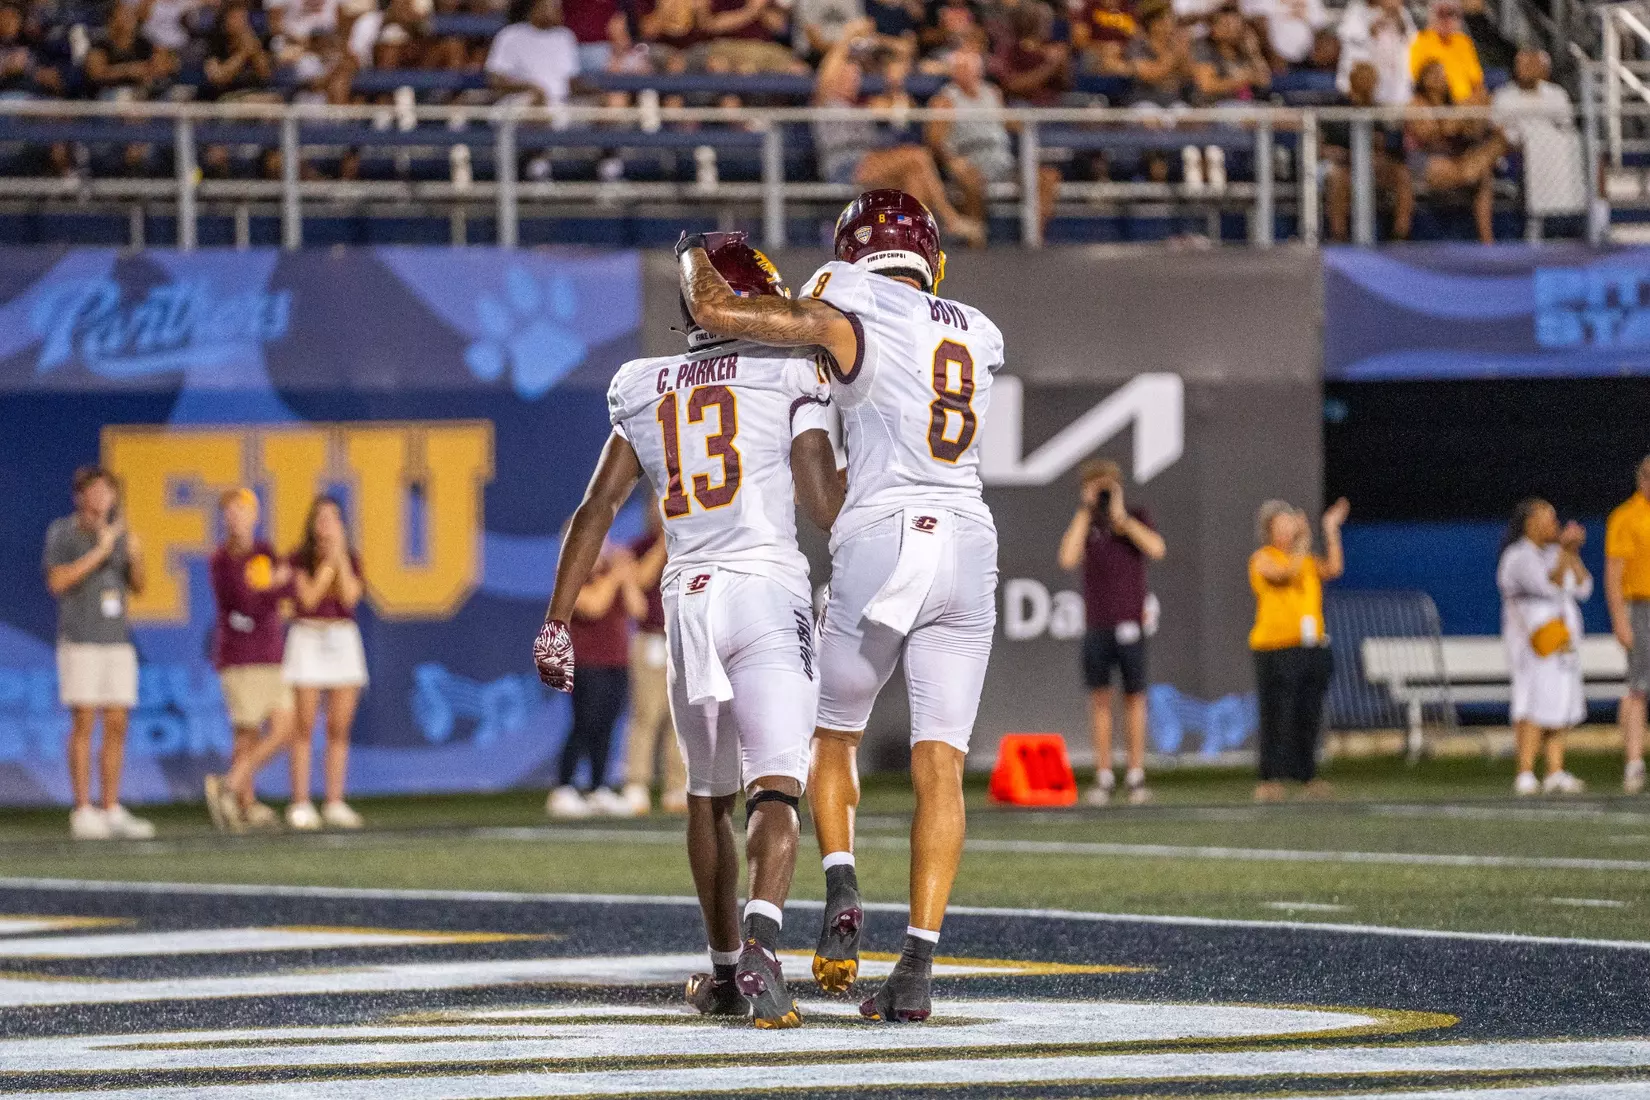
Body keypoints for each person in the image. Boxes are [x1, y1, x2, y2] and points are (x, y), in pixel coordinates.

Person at [679, 189, 1005, 1024]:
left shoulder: (850, 295)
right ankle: (917, 968)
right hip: (968, 537)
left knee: (831, 733)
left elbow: (741, 317)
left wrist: (697, 264)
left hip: (884, 531)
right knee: (942, 764)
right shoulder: (977, 329)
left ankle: (841, 881)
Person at [535, 232, 842, 1027]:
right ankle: (762, 951)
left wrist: (557, 620)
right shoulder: (790, 370)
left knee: (707, 797)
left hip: (689, 601)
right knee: (776, 784)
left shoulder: (644, 384)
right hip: (766, 589)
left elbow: (596, 508)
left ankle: (725, 972)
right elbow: (821, 498)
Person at [43, 466, 154, 841]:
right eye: (95, 491)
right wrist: (100, 551)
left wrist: (135, 556)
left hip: (116, 641)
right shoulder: (64, 532)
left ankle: (111, 807)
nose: (102, 498)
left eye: (108, 491)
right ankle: (82, 809)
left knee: (118, 722)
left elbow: (139, 586)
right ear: (80, 496)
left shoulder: (121, 534)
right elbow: (57, 581)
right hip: (81, 640)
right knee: (84, 721)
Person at [813, 20, 986, 246]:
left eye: (856, 77)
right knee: (917, 156)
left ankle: (908, 239)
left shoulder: (865, 104)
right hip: (844, 166)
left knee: (915, 177)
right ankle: (949, 220)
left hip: (868, 163)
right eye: (845, 76)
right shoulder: (826, 100)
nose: (852, 81)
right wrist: (848, 36)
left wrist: (893, 65)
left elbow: (899, 67)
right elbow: (827, 74)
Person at [1057, 458, 1166, 806]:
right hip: (1097, 624)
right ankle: (1103, 775)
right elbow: (1067, 558)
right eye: (1095, 486)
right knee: (1100, 699)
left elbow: (1156, 548)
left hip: (1131, 623)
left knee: (1135, 698)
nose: (1102, 493)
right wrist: (1085, 511)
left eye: (1107, 486)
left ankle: (1135, 774)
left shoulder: (1134, 516)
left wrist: (1121, 519)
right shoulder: (1086, 523)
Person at [203, 489, 299, 834]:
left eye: (242, 510)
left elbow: (287, 591)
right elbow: (245, 603)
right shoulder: (221, 559)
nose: (236, 518)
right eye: (230, 512)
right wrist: (273, 586)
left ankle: (228, 786)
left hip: (270, 652)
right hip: (240, 656)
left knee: (285, 727)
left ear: (254, 516)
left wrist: (272, 586)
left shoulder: (264, 551)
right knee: (246, 733)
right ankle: (243, 803)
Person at [1248, 497, 1347, 802]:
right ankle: (1270, 777)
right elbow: (1285, 574)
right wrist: (1303, 540)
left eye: (1289, 524)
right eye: (1281, 525)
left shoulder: (1306, 560)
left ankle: (1306, 774)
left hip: (1310, 645)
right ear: (1269, 531)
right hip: (1274, 648)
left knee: (1308, 713)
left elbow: (1334, 568)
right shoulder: (1263, 559)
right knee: (1276, 714)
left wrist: (1330, 529)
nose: (1287, 530)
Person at [283, 495, 368, 831]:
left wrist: (341, 559)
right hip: (308, 637)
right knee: (304, 726)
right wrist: (329, 565)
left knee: (339, 727)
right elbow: (308, 598)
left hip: (342, 638)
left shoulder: (352, 559)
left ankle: (334, 801)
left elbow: (349, 597)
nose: (327, 524)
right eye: (321, 518)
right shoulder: (299, 558)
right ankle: (301, 802)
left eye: (333, 518)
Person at [1498, 499, 1590, 797]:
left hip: (1560, 642)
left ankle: (1554, 771)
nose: (1555, 524)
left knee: (1559, 705)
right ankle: (1525, 772)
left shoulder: (1553, 552)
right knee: (1534, 707)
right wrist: (1565, 552)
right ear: (1530, 523)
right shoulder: (1518, 556)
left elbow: (1584, 586)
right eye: (1548, 518)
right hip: (1532, 645)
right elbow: (1547, 586)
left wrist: (1571, 553)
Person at [547, 539, 643, 818]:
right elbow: (594, 606)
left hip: (617, 659)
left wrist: (627, 577)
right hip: (586, 661)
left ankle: (599, 786)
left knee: (606, 725)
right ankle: (563, 787)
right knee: (584, 723)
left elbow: (638, 609)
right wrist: (617, 574)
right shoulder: (569, 574)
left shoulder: (610, 572)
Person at [927, 45, 1061, 235]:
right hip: (969, 158)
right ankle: (976, 235)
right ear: (953, 72)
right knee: (970, 179)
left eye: (970, 67)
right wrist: (952, 161)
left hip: (1002, 161)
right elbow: (935, 140)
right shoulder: (944, 100)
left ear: (979, 70)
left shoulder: (992, 92)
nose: (966, 72)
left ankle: (1034, 236)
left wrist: (1024, 121)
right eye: (961, 67)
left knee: (1048, 177)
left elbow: (1007, 121)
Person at [621, 502, 688, 816]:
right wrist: (663, 542)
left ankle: (677, 785)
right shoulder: (640, 547)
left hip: (684, 638)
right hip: (651, 639)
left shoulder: (691, 546)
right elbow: (642, 580)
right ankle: (637, 783)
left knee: (680, 716)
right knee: (647, 713)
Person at [1404, 58, 1507, 244]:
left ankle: (1487, 240)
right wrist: (1460, 114)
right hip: (1426, 159)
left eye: (1442, 74)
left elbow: (1471, 134)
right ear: (1423, 79)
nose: (1439, 78)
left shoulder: (1451, 104)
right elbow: (1429, 137)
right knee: (1469, 172)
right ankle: (1470, 173)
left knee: (1487, 170)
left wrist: (1476, 115)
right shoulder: (1416, 105)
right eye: (1434, 74)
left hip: (1456, 157)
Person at [1323, 60, 1414, 241]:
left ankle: (1400, 235)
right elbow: (1326, 144)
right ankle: (1339, 235)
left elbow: (1391, 144)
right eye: (1362, 79)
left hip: (1375, 166)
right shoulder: (1337, 108)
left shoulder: (1378, 111)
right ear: (1352, 81)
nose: (1368, 84)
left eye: (1371, 80)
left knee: (1402, 175)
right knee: (1337, 178)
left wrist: (1381, 149)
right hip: (1346, 165)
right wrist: (1346, 154)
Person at [1605, 455, 1650, 795]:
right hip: (1641, 606)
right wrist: (1620, 620)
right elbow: (1614, 574)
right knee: (1638, 687)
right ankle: (1634, 762)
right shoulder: (1626, 516)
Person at [486, 0, 581, 106]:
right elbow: (496, 80)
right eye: (550, 6)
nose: (556, 10)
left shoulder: (565, 36)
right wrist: (530, 87)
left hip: (558, 103)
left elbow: (572, 81)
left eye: (557, 7)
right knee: (533, 101)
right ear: (533, 8)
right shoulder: (510, 35)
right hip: (519, 99)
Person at [1336, 0, 1415, 107]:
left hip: (1394, 77)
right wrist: (1376, 24)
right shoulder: (1357, 10)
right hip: (1364, 75)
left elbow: (1412, 38)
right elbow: (1352, 38)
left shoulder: (1401, 12)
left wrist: (1397, 16)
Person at [1408, 0, 1482, 105]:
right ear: (1431, 16)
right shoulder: (1420, 40)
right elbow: (1417, 81)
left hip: (1465, 104)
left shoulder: (1464, 42)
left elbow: (1477, 81)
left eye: (1451, 14)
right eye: (1441, 13)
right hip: (1435, 102)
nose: (1446, 19)